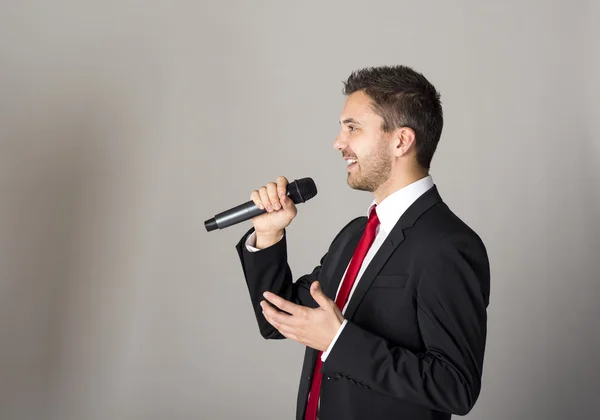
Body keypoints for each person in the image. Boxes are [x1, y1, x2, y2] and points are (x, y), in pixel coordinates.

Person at [235, 65, 490, 420]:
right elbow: (278, 317)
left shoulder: (448, 244)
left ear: (401, 140)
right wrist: (268, 234)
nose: (338, 143)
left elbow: (455, 387)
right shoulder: (354, 234)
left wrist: (339, 342)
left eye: (352, 128)